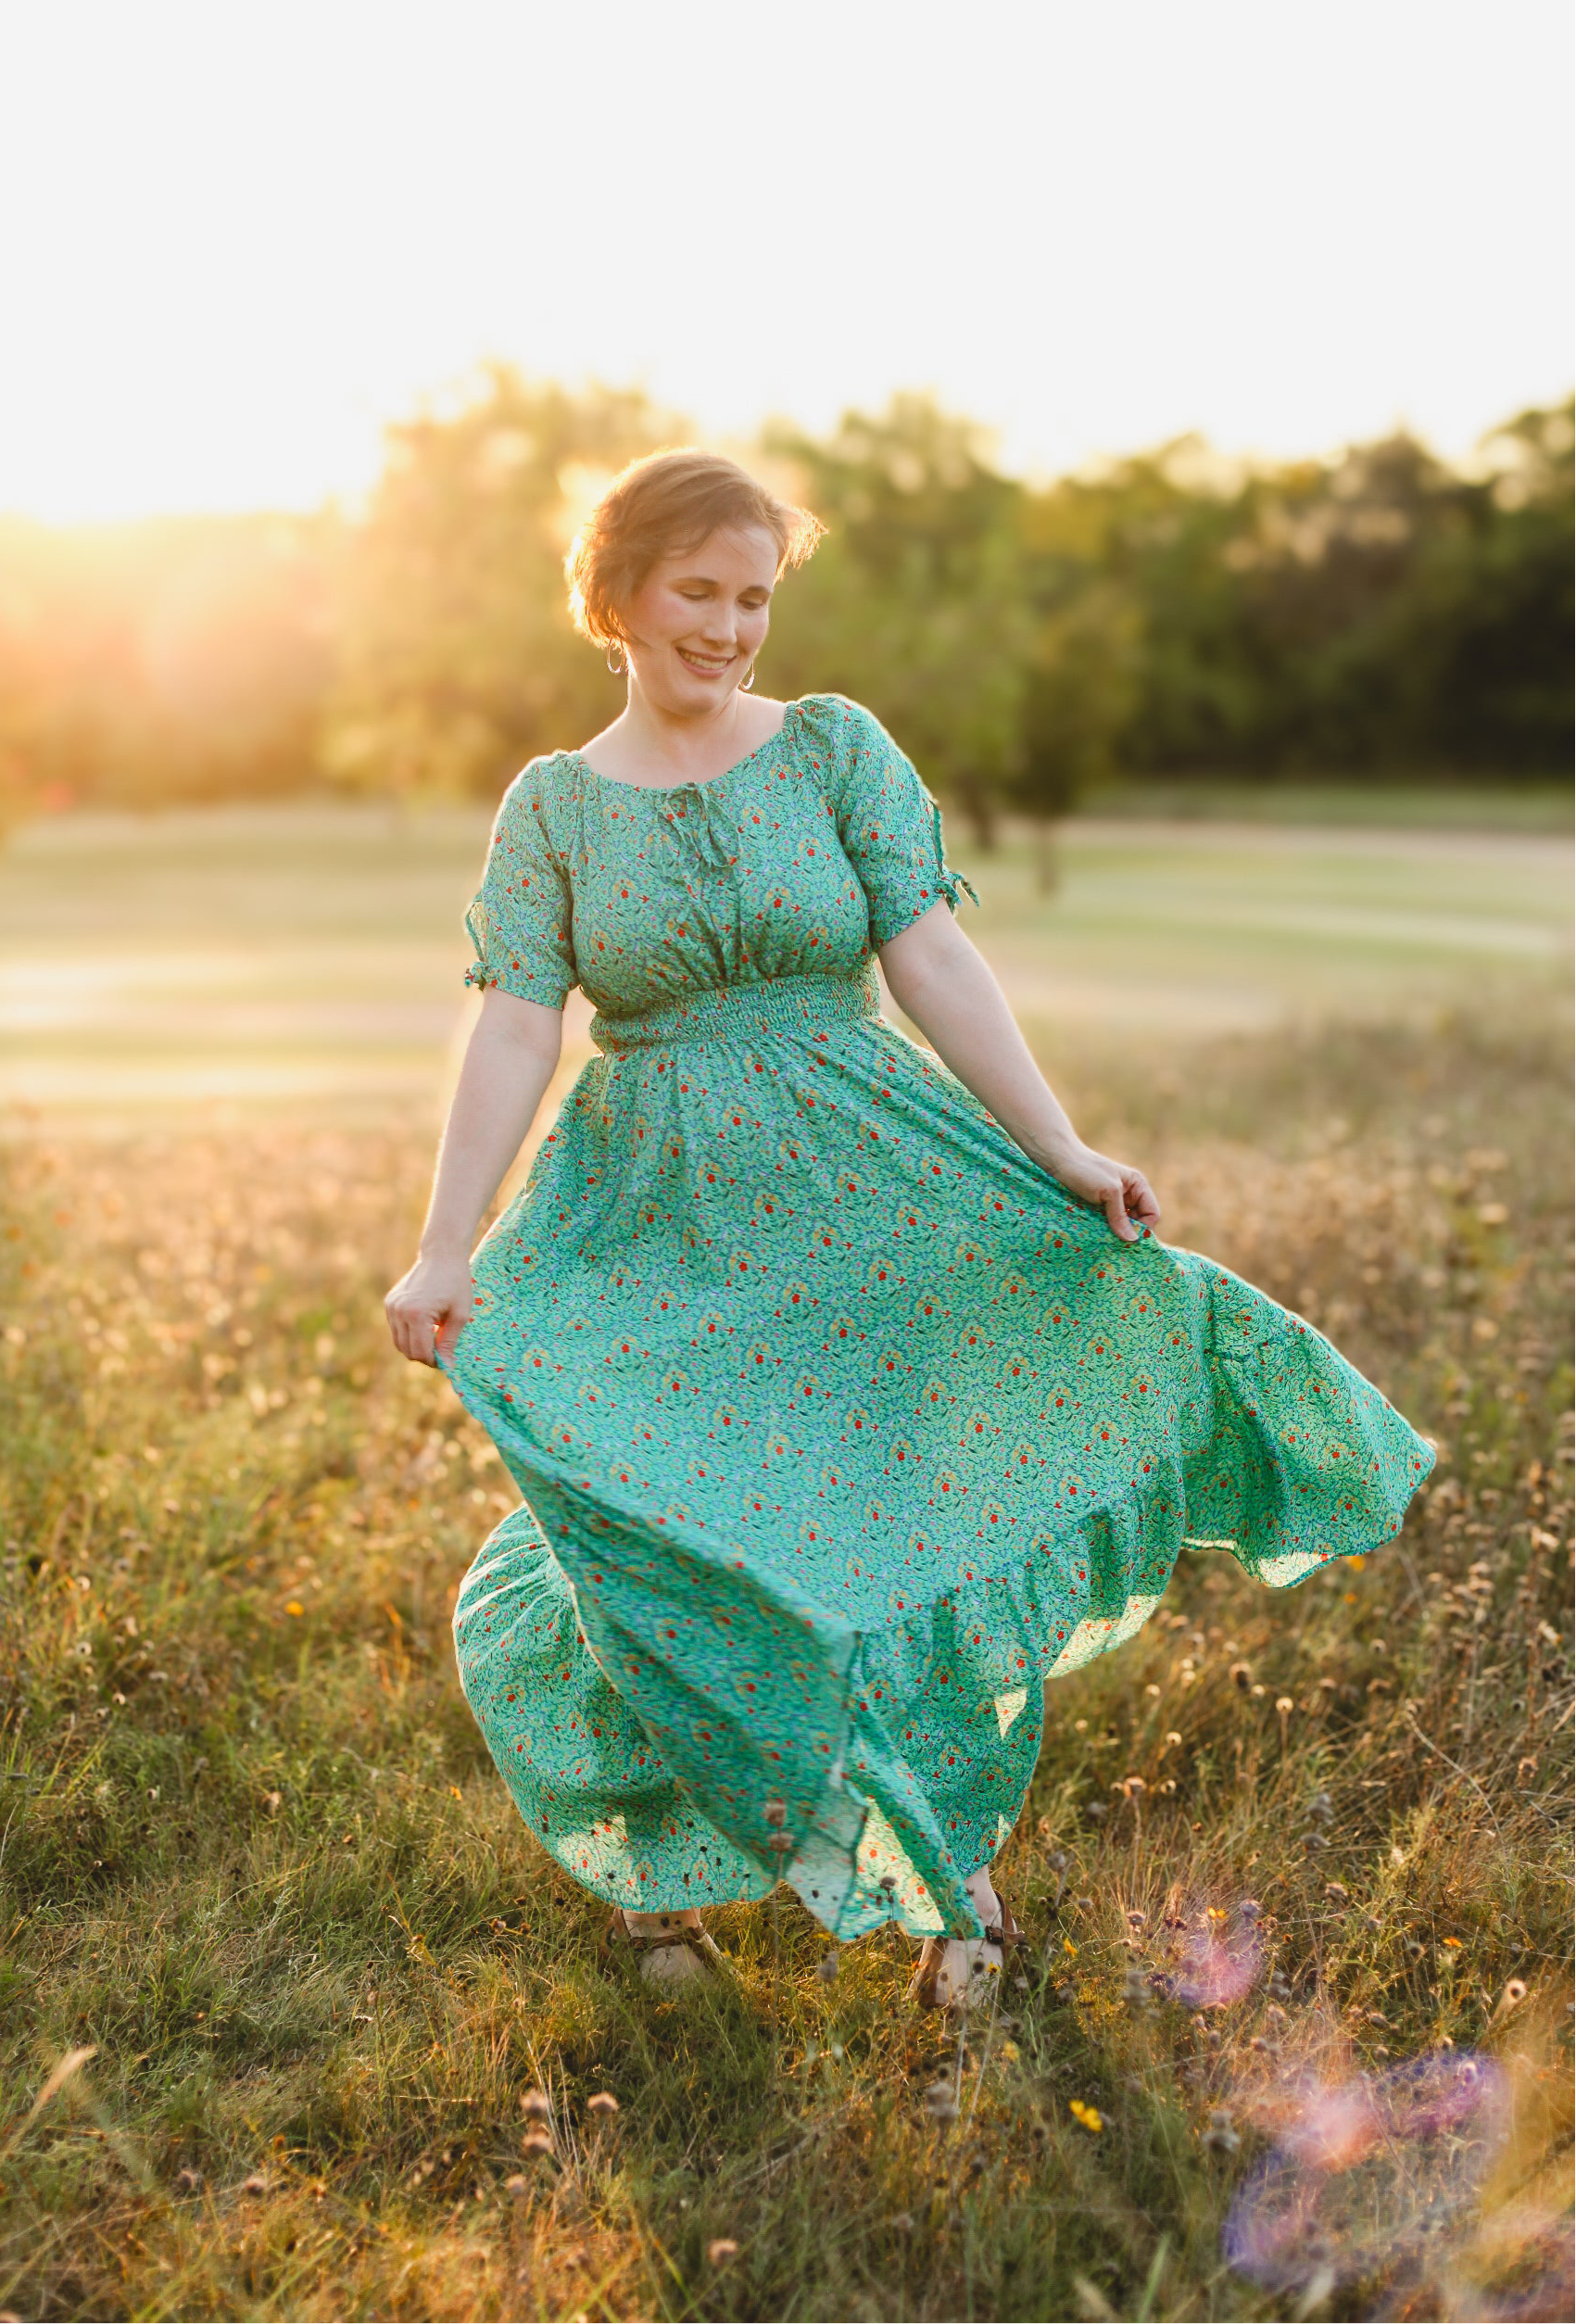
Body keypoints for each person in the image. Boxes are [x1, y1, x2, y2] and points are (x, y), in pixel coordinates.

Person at [385, 448, 1434, 2008]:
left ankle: (963, 1909)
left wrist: (1062, 1146)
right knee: (665, 1541)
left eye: (754, 597)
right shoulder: (553, 809)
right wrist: (446, 1239)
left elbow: (933, 961)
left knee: (897, 1540)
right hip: (654, 1225)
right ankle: (665, 1888)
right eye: (699, 591)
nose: (731, 628)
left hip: (870, 1195)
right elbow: (519, 1032)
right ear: (616, 596)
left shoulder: (831, 750)